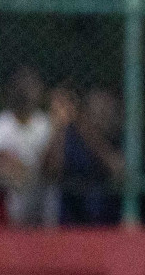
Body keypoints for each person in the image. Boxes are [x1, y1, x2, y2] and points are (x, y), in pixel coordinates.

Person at [0, 66, 52, 226]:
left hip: (43, 211)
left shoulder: (49, 127)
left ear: (41, 90)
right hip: (2, 215)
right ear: (9, 90)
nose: (24, 91)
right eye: (20, 85)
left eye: (31, 85)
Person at [45, 88, 124, 225]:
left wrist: (88, 131)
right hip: (70, 214)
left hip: (106, 216)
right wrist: (61, 125)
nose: (102, 116)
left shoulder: (118, 138)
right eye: (97, 110)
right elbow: (51, 171)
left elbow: (118, 169)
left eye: (106, 110)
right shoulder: (69, 135)